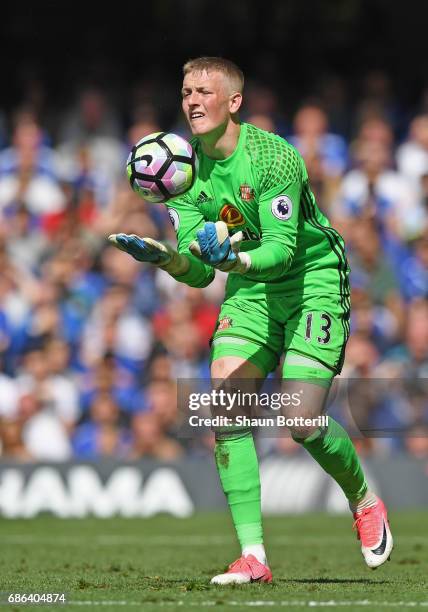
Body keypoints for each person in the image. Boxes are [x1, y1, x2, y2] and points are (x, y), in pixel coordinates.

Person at [109, 57, 393, 584]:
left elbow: (283, 251)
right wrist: (167, 258)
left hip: (313, 280)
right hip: (251, 293)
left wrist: (232, 261)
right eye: (186, 90)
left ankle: (363, 499)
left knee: (301, 420)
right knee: (226, 407)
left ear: (233, 102)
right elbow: (198, 273)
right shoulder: (182, 173)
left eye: (203, 91)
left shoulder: (273, 157)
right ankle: (253, 556)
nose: (191, 100)